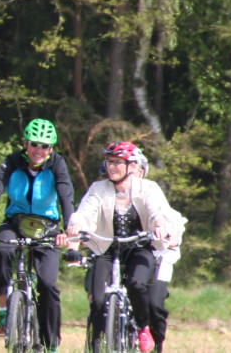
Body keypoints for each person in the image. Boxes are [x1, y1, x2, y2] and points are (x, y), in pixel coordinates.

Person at [0, 118, 74, 351]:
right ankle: (4, 312)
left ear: (51, 149)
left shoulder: (57, 164)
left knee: (48, 285)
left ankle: (50, 343)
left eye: (45, 146)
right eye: (34, 144)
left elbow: (66, 194)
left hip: (48, 228)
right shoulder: (12, 162)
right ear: (25, 143)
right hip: (14, 223)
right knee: (3, 250)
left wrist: (69, 229)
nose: (39, 150)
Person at [65, 141, 178, 353]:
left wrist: (160, 226)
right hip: (107, 249)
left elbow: (157, 211)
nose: (112, 167)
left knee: (136, 285)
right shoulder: (99, 189)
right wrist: (77, 227)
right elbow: (85, 212)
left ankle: (143, 327)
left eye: (118, 162)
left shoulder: (148, 188)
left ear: (131, 166)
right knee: (97, 299)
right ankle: (97, 345)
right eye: (109, 162)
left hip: (139, 248)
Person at [130, 149, 187, 353]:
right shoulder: (112, 193)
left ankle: (157, 345)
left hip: (160, 254)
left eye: (135, 169)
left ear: (142, 172)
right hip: (130, 253)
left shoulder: (152, 191)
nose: (130, 175)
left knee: (154, 303)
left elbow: (171, 220)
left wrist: (170, 235)